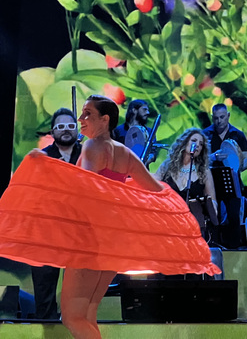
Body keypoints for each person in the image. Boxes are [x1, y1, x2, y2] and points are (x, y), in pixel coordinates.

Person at [62, 95, 167, 339]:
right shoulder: (125, 153)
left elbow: (86, 189)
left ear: (105, 119)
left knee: (72, 317)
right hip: (111, 243)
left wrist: (48, 169)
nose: (80, 119)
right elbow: (157, 191)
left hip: (88, 239)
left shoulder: (91, 146)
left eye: (87, 113)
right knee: (87, 314)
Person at [30, 108, 82, 320]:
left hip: (81, 234)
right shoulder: (41, 158)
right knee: (44, 291)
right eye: (61, 127)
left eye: (70, 126)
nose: (66, 130)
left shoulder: (89, 155)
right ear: (53, 131)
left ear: (77, 129)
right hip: (46, 233)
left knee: (79, 293)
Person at [154, 129, 219, 241]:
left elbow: (212, 200)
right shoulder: (167, 166)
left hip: (193, 225)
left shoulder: (204, 171)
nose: (197, 145)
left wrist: (212, 208)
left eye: (201, 144)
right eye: (194, 140)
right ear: (184, 143)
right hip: (168, 222)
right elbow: (152, 186)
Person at [203, 103, 247, 248]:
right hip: (212, 180)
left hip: (232, 180)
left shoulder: (238, 135)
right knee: (213, 216)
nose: (219, 121)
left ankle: (233, 249)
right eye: (216, 118)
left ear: (228, 116)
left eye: (222, 117)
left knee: (233, 216)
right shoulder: (205, 134)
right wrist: (213, 157)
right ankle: (214, 247)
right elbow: (200, 159)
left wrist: (237, 164)